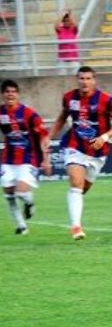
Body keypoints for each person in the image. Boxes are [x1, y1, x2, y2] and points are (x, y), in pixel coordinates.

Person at [49, 66, 112, 240]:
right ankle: (76, 227)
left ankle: (73, 202)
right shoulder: (69, 97)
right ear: (77, 80)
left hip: (98, 151)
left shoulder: (106, 100)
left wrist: (105, 137)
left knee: (83, 188)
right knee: (76, 183)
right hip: (74, 146)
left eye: (88, 78)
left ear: (94, 80)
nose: (84, 82)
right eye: (81, 78)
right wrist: (49, 136)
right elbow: (62, 117)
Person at [0, 80, 52, 235]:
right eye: (7, 91)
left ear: (18, 94)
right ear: (3, 94)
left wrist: (46, 160)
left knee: (21, 193)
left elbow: (43, 137)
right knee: (9, 194)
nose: (10, 94)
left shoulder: (29, 114)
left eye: (13, 91)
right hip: (8, 160)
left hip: (28, 159)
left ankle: (29, 203)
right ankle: (22, 226)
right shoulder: (1, 113)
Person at [54, 10, 79, 75]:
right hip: (62, 59)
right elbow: (56, 25)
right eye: (64, 21)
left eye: (68, 21)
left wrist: (69, 14)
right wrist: (62, 15)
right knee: (61, 77)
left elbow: (75, 24)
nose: (66, 22)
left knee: (76, 76)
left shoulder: (73, 29)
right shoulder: (60, 29)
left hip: (73, 59)